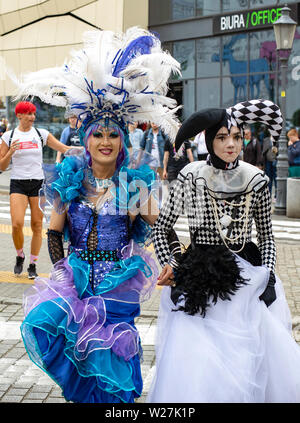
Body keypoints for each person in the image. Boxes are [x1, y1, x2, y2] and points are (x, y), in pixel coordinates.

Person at [18, 27, 181, 403]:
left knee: (113, 360)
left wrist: (176, 260)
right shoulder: (69, 179)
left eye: (113, 135)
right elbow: (55, 234)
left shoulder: (134, 185)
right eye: (97, 135)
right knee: (75, 354)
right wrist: (64, 275)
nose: (105, 142)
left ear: (123, 140)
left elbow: (164, 229)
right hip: (76, 281)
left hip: (118, 285)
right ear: (86, 139)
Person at [147, 99, 300, 403]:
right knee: (200, 366)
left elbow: (268, 237)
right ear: (208, 140)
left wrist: (267, 275)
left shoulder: (256, 179)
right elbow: (162, 226)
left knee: (249, 360)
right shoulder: (190, 176)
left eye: (237, 136)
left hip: (248, 280)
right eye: (222, 137)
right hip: (199, 277)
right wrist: (172, 263)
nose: (231, 144)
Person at [0, 101, 72, 279]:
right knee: (16, 224)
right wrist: (10, 152)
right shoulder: (8, 136)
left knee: (37, 225)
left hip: (38, 183)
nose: (32, 117)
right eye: (28, 114)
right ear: (19, 116)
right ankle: (20, 255)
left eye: (33, 114)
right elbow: (1, 165)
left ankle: (32, 263)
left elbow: (64, 148)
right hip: (18, 182)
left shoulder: (41, 134)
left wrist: (87, 151)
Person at [262, 134, 277, 200]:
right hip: (268, 162)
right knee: (269, 179)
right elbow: (263, 151)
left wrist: (277, 150)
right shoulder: (266, 140)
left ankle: (276, 196)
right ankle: (269, 195)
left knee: (276, 179)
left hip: (276, 162)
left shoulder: (278, 139)